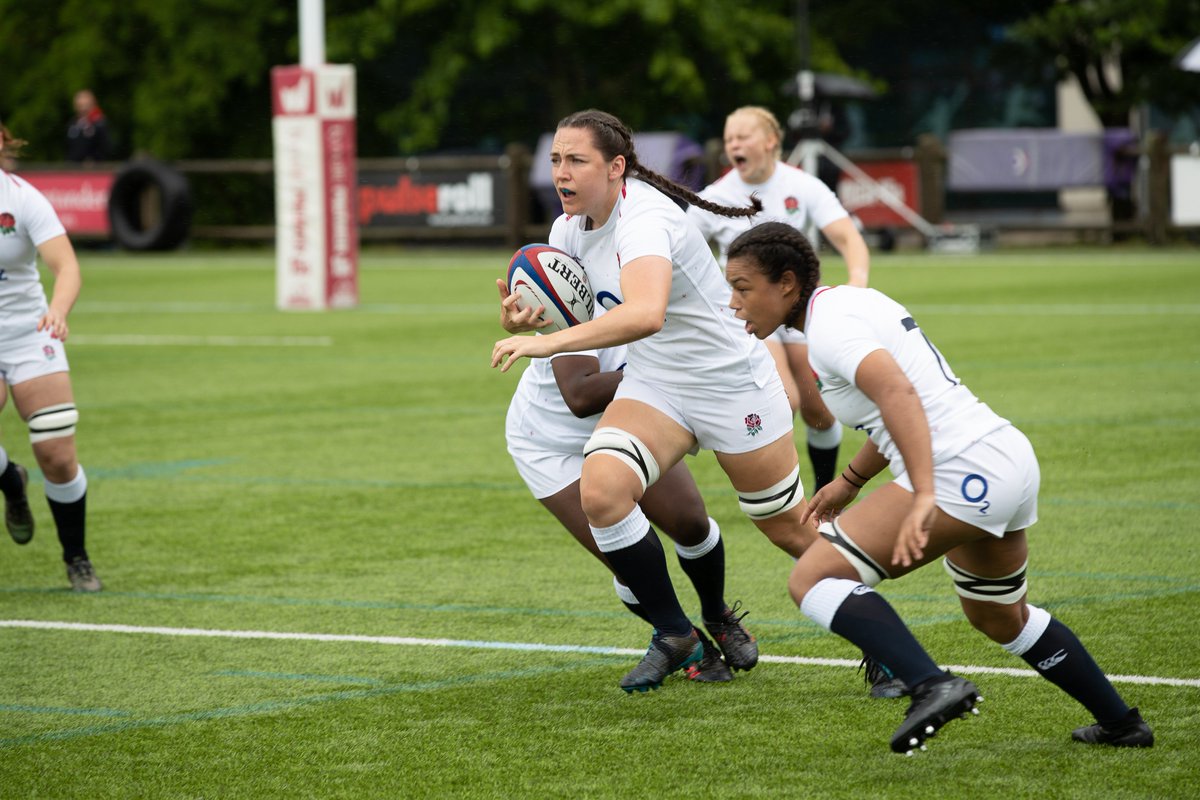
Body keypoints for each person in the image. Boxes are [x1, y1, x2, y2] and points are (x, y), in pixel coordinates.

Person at [722, 221, 1154, 753]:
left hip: (960, 469)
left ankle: (931, 685)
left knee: (812, 580)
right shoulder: (847, 304)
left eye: (742, 287)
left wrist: (924, 493)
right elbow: (900, 405)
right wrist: (850, 481)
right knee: (998, 615)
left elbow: (898, 393)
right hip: (1003, 456)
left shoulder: (830, 327)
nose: (734, 303)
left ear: (786, 283)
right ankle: (1121, 722)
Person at [492, 109, 820, 692]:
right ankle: (675, 633)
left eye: (576, 161)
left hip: (723, 383)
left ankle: (882, 646)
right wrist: (534, 320)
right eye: (555, 160)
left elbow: (644, 314)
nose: (561, 173)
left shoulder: (643, 218)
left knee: (785, 528)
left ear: (617, 167)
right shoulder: (567, 231)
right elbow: (579, 353)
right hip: (641, 391)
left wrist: (541, 342)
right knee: (606, 494)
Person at [499, 302, 755, 686]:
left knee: (690, 523)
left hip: (623, 415)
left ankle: (717, 615)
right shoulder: (583, 282)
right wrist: (670, 370)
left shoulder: (674, 276)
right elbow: (580, 393)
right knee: (629, 562)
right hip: (548, 443)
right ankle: (689, 643)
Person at [687, 106, 870, 496]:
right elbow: (676, 250)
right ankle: (782, 494)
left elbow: (847, 237)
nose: (734, 144)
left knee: (819, 411)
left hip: (801, 310)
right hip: (748, 315)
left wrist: (857, 281)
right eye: (729, 138)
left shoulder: (803, 186)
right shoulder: (715, 198)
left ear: (771, 141)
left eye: (743, 136)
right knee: (784, 399)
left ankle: (824, 490)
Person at [0, 119, 100, 592]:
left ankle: (76, 557)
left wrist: (57, 312)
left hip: (27, 330)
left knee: (57, 452)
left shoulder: (22, 198)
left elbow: (67, 266)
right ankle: (9, 480)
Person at [66, 89, 110, 163]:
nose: (83, 109)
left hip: (93, 169)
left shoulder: (99, 123)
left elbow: (105, 147)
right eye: (80, 105)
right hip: (74, 167)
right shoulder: (73, 124)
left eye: (86, 105)